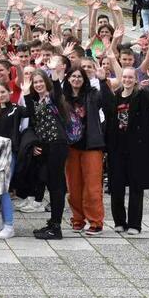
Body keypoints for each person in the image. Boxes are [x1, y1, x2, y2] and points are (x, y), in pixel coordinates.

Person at [100, 64, 149, 234]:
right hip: (117, 149)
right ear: (121, 79)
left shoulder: (141, 96)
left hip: (137, 149)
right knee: (116, 186)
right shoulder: (115, 97)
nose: (127, 80)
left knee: (136, 187)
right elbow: (107, 115)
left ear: (136, 80)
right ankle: (119, 222)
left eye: (130, 77)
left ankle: (135, 224)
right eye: (125, 77)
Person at [22, 63, 69, 240]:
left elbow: (57, 89)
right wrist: (26, 93)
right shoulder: (37, 101)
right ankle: (52, 222)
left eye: (41, 81)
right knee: (50, 183)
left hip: (57, 144)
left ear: (47, 82)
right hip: (46, 145)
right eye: (35, 82)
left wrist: (55, 73)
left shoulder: (52, 97)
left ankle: (56, 227)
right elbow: (33, 119)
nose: (38, 85)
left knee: (56, 186)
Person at [63, 67, 106, 236]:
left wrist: (103, 81)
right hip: (71, 147)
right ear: (68, 79)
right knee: (73, 186)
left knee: (92, 187)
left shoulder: (92, 94)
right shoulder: (63, 97)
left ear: (84, 79)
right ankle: (78, 219)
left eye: (79, 76)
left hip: (91, 145)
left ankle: (95, 221)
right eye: (73, 76)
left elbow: (108, 102)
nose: (76, 79)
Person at [0, 82, 28, 239]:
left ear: (10, 92)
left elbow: (30, 112)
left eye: (3, 92)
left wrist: (26, 93)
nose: (0, 95)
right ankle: (3, 222)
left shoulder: (16, 109)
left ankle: (9, 226)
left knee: (4, 189)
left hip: (9, 152)